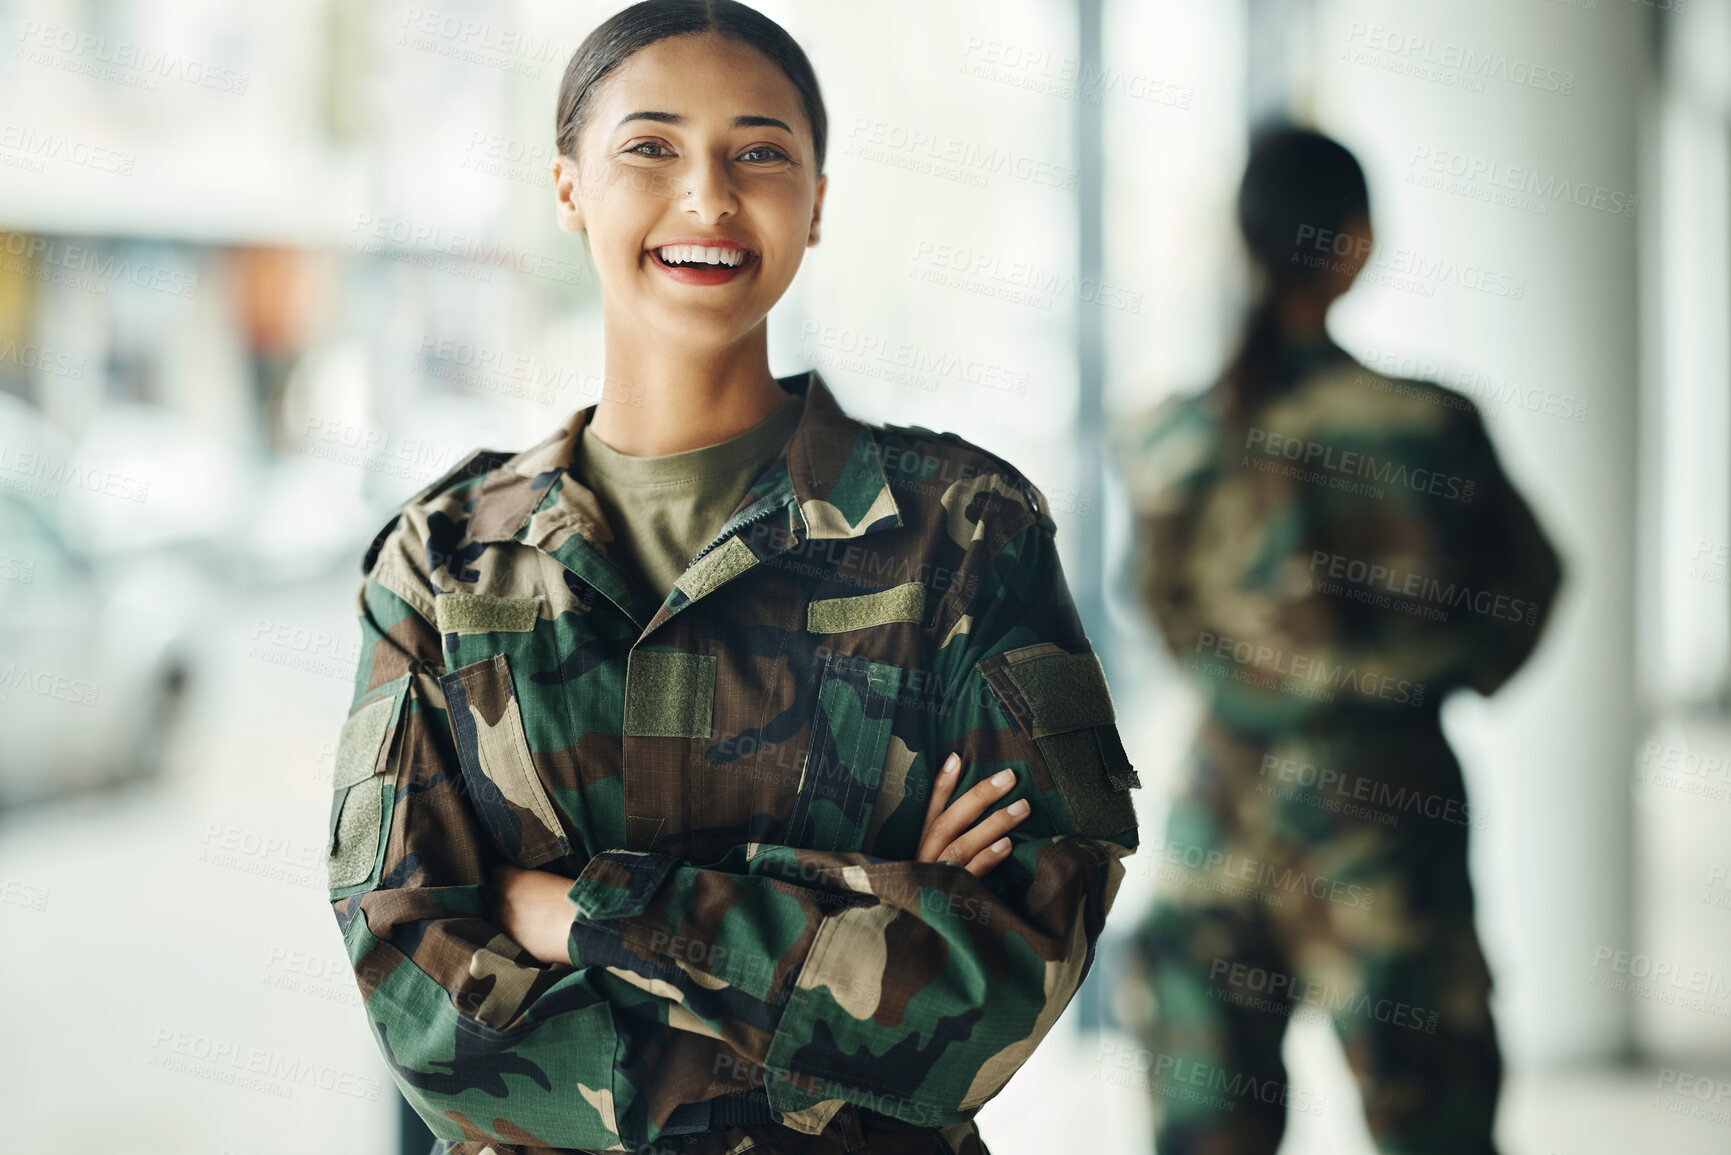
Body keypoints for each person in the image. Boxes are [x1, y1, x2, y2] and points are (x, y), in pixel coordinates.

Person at [322, 3, 1140, 1153]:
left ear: (816, 202)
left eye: (760, 152)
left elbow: (993, 993)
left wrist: (576, 913)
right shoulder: (443, 564)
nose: (708, 197)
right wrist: (867, 911)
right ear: (568, 187)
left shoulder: (962, 534)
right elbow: (430, 1021)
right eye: (649, 147)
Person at [1112, 126, 1562, 1154]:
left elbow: (1160, 608)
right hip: (1390, 820)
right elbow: (1528, 589)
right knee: (1433, 1127)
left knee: (1205, 1134)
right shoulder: (1431, 426)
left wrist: (1256, 679)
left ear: (1245, 247)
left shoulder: (1169, 438)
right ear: (1355, 245)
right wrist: (1429, 676)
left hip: (1222, 822)